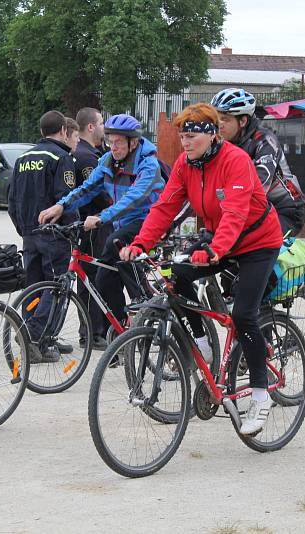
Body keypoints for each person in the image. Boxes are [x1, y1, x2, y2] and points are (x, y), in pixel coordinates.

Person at [120, 103, 283, 435]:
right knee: (175, 274)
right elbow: (165, 206)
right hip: (220, 239)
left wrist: (214, 250)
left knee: (244, 317)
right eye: (182, 136)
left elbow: (236, 213)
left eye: (191, 136)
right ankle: (201, 341)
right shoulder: (186, 164)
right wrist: (141, 243)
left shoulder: (236, 161)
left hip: (257, 242)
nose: (185, 142)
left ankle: (261, 396)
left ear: (211, 135)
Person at [39, 113, 164, 329]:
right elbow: (87, 188)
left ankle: (147, 309)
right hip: (121, 224)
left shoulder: (148, 165)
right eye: (109, 141)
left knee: (115, 243)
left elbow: (132, 200)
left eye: (118, 143)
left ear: (133, 143)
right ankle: (122, 329)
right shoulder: (108, 161)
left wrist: (101, 217)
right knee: (104, 280)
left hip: (149, 221)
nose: (112, 147)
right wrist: (62, 205)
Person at [9, 110, 77, 363]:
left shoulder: (23, 158)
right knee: (56, 286)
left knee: (34, 287)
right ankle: (35, 335)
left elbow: (12, 198)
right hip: (53, 233)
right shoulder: (60, 157)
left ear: (41, 131)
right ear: (62, 130)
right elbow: (66, 198)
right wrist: (73, 228)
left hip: (29, 232)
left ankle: (34, 339)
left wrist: (22, 227)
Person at [211, 88, 305, 237]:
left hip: (283, 209)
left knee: (253, 248)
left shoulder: (264, 141)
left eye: (225, 119)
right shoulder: (221, 143)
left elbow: (260, 185)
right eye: (216, 118)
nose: (219, 124)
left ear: (242, 121)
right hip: (252, 210)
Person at [69, 107, 111, 350]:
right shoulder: (87, 157)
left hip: (89, 225)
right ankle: (94, 332)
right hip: (93, 225)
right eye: (102, 123)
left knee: (88, 279)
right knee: (95, 279)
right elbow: (101, 195)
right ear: (91, 127)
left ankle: (91, 330)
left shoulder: (87, 153)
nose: (105, 128)